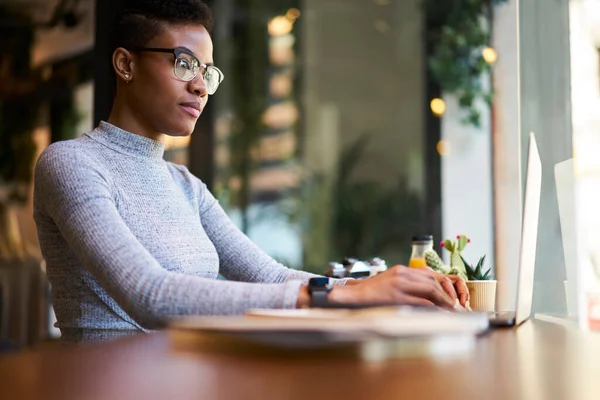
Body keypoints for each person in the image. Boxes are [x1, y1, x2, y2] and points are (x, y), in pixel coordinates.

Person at [33, 0, 468, 344]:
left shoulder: (186, 186)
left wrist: (393, 286)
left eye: (206, 71)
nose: (200, 86)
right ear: (126, 64)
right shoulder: (71, 163)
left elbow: (273, 276)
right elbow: (148, 294)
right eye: (184, 63)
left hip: (187, 378)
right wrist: (338, 296)